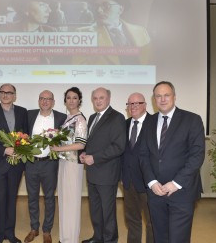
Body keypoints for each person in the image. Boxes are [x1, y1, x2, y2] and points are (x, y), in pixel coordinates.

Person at [139, 81, 205, 243]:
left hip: (182, 191)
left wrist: (175, 183)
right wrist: (152, 182)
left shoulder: (192, 120)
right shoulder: (148, 121)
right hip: (156, 192)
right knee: (160, 237)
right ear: (154, 99)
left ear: (174, 97)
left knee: (178, 238)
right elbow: (143, 155)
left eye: (166, 95)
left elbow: (197, 155)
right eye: (158, 96)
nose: (162, 99)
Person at [80, 87, 126, 243]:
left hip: (107, 173)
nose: (98, 101)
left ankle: (110, 239)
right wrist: (84, 153)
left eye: (101, 98)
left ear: (109, 99)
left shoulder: (117, 117)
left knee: (108, 212)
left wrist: (95, 158)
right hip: (93, 173)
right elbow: (92, 142)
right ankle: (98, 237)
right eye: (95, 98)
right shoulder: (93, 117)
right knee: (96, 209)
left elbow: (118, 146)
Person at [0, 84, 28, 243]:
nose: (5, 95)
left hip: (17, 164)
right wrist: (5, 150)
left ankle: (9, 233)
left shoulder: (22, 112)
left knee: (12, 199)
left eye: (9, 93)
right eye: (2, 92)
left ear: (14, 96)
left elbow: (26, 135)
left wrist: (20, 148)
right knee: (0, 199)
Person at [24, 90, 66, 243]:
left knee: (49, 198)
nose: (45, 101)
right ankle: (34, 228)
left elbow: (67, 139)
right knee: (32, 197)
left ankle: (47, 230)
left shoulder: (61, 118)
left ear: (53, 102)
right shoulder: (29, 115)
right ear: (38, 100)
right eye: (42, 98)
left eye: (48, 99)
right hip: (31, 163)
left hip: (50, 164)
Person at [50, 87, 88, 243]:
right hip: (64, 162)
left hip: (73, 164)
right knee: (64, 201)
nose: (71, 100)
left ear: (79, 100)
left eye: (74, 98)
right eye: (68, 98)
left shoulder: (80, 119)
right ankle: (65, 237)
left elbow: (80, 145)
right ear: (65, 101)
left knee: (71, 202)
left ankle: (71, 239)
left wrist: (58, 148)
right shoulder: (68, 118)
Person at [74, 0, 151, 65]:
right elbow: (79, 68)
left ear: (120, 9)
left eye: (106, 5)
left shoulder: (141, 31)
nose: (99, 10)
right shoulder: (83, 33)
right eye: (96, 6)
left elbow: (150, 62)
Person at [121, 93, 153, 243]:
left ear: (145, 105)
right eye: (130, 104)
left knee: (152, 221)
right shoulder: (124, 124)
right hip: (128, 182)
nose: (133, 107)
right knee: (132, 220)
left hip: (150, 183)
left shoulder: (155, 123)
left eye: (137, 103)